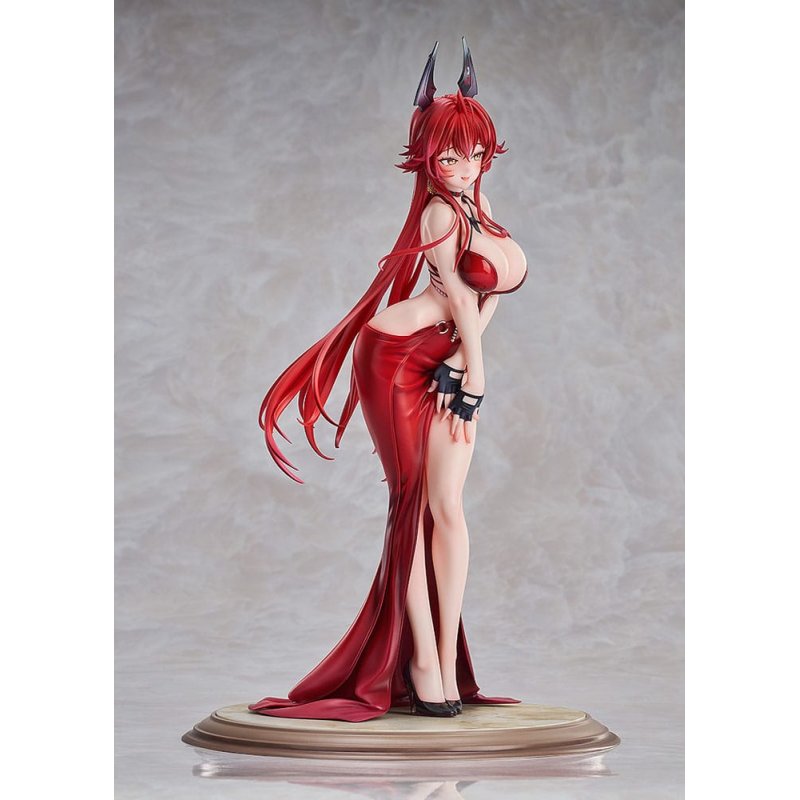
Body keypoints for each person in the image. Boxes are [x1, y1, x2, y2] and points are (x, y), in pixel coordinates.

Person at [248, 38, 527, 723]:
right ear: (426, 158)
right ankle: (425, 662)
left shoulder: (479, 209)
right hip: (396, 359)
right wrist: (475, 373)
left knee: (448, 507)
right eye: (450, 156)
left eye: (475, 153)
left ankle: (447, 656)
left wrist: (463, 362)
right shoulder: (438, 213)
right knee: (411, 506)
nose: (465, 166)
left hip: (447, 357)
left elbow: (484, 299)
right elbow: (459, 297)